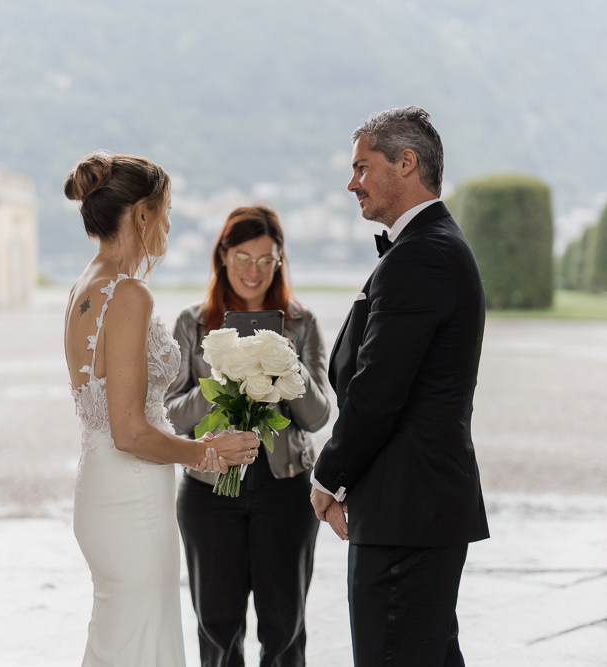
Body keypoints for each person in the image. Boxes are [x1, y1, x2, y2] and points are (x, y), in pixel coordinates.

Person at [63, 151, 259, 667]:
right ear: (143, 214)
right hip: (131, 499)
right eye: (166, 213)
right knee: (142, 644)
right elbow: (129, 431)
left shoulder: (83, 287)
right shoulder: (128, 294)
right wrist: (204, 451)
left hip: (99, 489)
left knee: (119, 639)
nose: (168, 226)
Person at [310, 107, 489, 667]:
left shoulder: (422, 256)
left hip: (405, 511)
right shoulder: (429, 247)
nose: (352, 182)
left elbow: (378, 391)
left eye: (363, 167)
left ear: (406, 163)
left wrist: (329, 476)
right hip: (415, 507)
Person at [166, 205, 332, 667]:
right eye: (242, 257)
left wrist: (283, 362)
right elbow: (173, 418)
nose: (253, 271)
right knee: (217, 630)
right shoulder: (194, 323)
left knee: (284, 630)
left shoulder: (302, 323)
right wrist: (223, 380)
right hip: (209, 492)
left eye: (266, 260)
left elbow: (317, 416)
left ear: (280, 261)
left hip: (285, 489)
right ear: (222, 256)